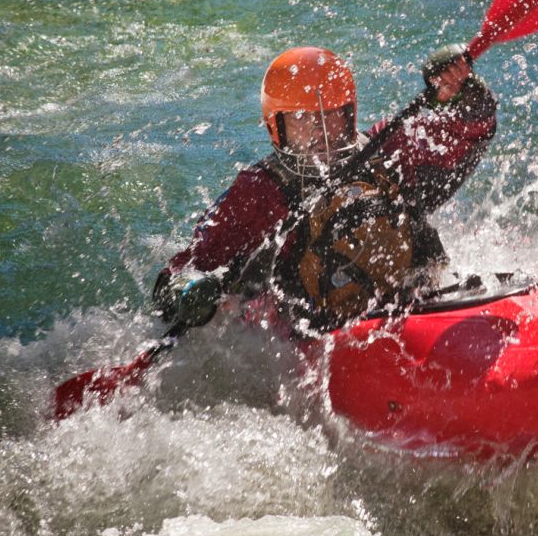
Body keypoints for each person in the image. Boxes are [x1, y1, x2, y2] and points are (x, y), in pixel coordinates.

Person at [152, 44, 496, 332]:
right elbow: (181, 272)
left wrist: (463, 95)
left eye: (332, 115)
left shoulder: (386, 149)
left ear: (350, 113)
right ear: (276, 126)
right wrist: (186, 291)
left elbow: (467, 136)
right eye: (302, 119)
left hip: (418, 307)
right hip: (314, 332)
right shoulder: (259, 192)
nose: (320, 131)